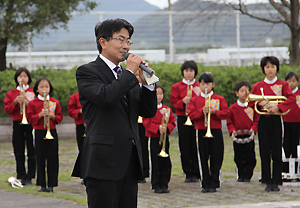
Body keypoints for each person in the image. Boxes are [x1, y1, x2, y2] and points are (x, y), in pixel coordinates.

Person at [71, 18, 157, 208]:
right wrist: (129, 74)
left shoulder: (128, 76)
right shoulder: (87, 71)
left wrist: (147, 82)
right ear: (103, 42)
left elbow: (148, 112)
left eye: (128, 41)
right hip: (102, 161)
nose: (126, 46)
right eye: (120, 39)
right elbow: (106, 97)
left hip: (129, 160)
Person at [252, 56, 295, 192]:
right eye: (267, 67)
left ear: (277, 68)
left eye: (273, 67)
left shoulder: (283, 84)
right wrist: (258, 102)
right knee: (264, 150)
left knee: (276, 150)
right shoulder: (257, 86)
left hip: (277, 119)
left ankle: (276, 180)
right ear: (263, 69)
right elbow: (249, 101)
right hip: (263, 120)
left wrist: (279, 106)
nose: (270, 70)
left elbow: (292, 98)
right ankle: (266, 179)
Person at [188, 73, 228, 193]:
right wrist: (201, 111)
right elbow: (191, 115)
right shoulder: (195, 99)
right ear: (199, 85)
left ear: (213, 85)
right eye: (203, 84)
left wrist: (215, 112)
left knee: (217, 156)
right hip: (201, 130)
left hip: (215, 130)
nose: (205, 86)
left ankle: (215, 181)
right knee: (203, 156)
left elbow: (226, 113)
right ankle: (205, 182)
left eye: (208, 84)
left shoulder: (219, 98)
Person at [27, 77, 63, 193]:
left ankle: (52, 184)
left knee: (53, 158)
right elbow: (29, 118)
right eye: (42, 87)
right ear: (37, 89)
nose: (44, 89)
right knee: (40, 157)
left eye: (46, 87)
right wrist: (39, 115)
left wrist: (53, 116)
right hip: (38, 131)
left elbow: (60, 117)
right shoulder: (33, 103)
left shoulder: (54, 102)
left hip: (51, 130)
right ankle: (42, 184)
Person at [170, 60, 201, 183]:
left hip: (196, 118)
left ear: (195, 72)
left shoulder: (199, 86)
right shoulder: (176, 87)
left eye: (191, 71)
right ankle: (188, 172)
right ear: (183, 72)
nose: (189, 73)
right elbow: (173, 103)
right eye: (186, 71)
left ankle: (197, 172)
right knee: (185, 146)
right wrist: (183, 102)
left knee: (196, 145)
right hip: (183, 117)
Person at [4, 67, 36, 185]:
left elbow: (37, 107)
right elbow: (8, 110)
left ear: (29, 78)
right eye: (20, 76)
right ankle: (21, 174)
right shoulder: (11, 93)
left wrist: (28, 103)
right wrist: (15, 102)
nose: (22, 79)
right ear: (16, 79)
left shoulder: (33, 92)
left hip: (30, 122)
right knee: (19, 150)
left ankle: (31, 175)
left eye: (25, 76)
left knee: (32, 150)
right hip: (17, 123)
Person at [143, 85, 176, 194]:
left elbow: (172, 122)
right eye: (157, 94)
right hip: (154, 138)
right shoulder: (149, 109)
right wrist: (157, 128)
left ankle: (164, 183)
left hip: (165, 138)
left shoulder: (167, 109)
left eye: (161, 94)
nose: (159, 96)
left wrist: (166, 128)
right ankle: (156, 184)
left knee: (165, 162)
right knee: (155, 161)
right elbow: (146, 122)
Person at [227, 81, 258, 182]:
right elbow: (229, 121)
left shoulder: (253, 107)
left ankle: (248, 175)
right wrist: (232, 131)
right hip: (238, 137)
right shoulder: (232, 108)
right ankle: (241, 174)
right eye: (242, 91)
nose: (244, 93)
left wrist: (253, 128)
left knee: (250, 157)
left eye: (247, 91)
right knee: (238, 157)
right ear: (237, 93)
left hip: (249, 136)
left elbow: (256, 119)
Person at [282, 72, 300, 173]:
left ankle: (296, 170)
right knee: (286, 146)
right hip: (285, 122)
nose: (291, 83)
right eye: (288, 81)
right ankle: (285, 170)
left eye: (293, 81)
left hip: (297, 123)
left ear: (297, 82)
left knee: (296, 146)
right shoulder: (284, 95)